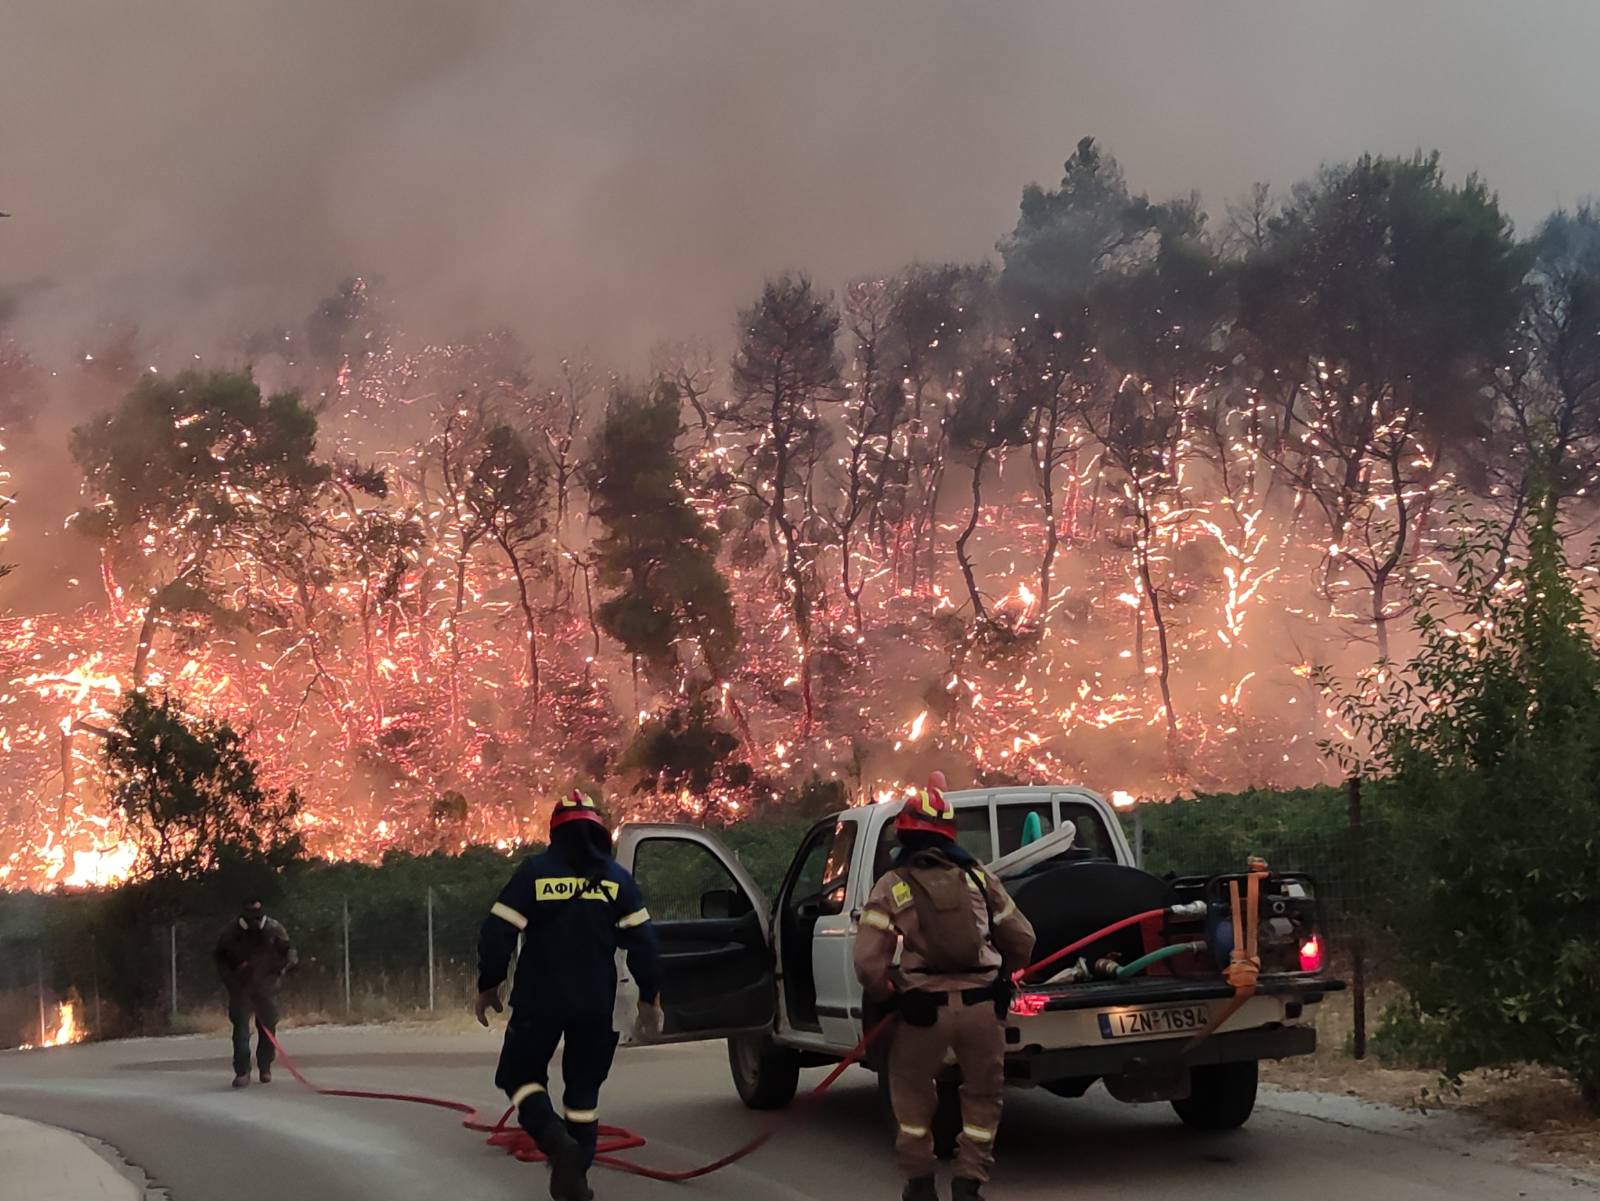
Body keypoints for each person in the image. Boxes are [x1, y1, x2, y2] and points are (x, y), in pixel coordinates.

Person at [476, 790, 662, 1201]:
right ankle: (575, 1177)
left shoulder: (535, 874)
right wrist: (650, 996)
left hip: (539, 1000)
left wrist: (489, 983)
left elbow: (497, 931)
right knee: (583, 1092)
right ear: (600, 834)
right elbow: (645, 944)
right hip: (594, 1004)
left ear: (555, 835)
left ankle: (556, 1142)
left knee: (520, 1076)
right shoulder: (616, 880)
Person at [854, 784, 1036, 1201]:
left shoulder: (892, 885)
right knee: (983, 1096)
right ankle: (969, 1182)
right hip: (981, 1010)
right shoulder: (977, 876)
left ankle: (919, 1184)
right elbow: (1023, 937)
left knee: (913, 1100)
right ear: (949, 833)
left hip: (923, 1013)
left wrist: (892, 995)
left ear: (903, 833)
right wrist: (1003, 979)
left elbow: (867, 964)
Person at [213, 899, 298, 1089]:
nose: (253, 920)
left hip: (266, 987)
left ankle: (265, 1066)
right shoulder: (230, 933)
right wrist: (232, 981)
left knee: (268, 1026)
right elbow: (220, 960)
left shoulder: (274, 928)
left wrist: (278, 971)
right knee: (241, 1029)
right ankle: (242, 1071)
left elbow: (290, 954)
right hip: (240, 988)